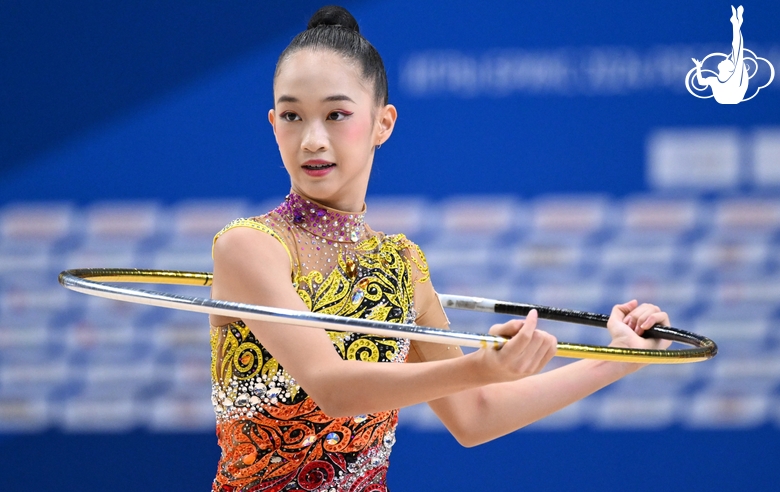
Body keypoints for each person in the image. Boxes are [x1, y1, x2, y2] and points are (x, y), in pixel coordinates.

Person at [208, 5, 671, 491]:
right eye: (292, 116)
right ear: (273, 123)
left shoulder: (402, 265)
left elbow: (474, 416)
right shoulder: (250, 247)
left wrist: (617, 360)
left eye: (336, 114)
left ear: (383, 123)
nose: (312, 139)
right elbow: (332, 388)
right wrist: (480, 366)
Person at [692, 5, 749, 104]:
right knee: (736, 50)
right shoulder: (714, 80)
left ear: (729, 69)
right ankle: (736, 23)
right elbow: (701, 82)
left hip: (734, 97)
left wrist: (736, 26)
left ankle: (736, 23)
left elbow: (738, 49)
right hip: (726, 98)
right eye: (727, 60)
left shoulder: (734, 78)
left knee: (737, 51)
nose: (724, 59)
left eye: (727, 62)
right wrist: (698, 67)